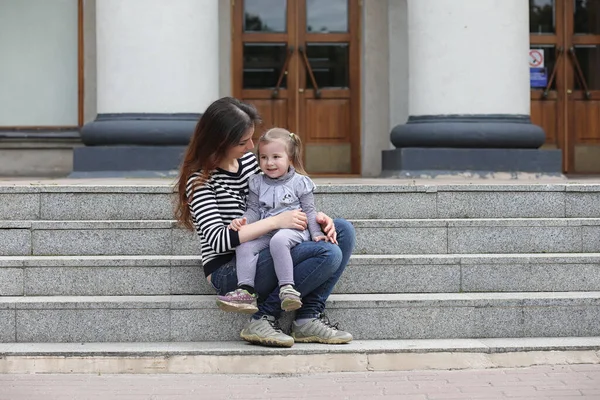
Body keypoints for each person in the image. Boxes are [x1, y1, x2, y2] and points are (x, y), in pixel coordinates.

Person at [174, 97, 356, 348]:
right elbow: (217, 241)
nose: (251, 146)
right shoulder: (200, 182)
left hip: (266, 244)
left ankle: (306, 318)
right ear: (220, 142)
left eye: (251, 138)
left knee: (343, 230)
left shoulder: (251, 163)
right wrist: (276, 222)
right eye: (242, 142)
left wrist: (314, 218)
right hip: (230, 269)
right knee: (327, 254)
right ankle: (264, 317)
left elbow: (281, 197)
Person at [216, 127, 334, 315]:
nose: (269, 163)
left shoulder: (300, 182)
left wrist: (317, 233)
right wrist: (242, 221)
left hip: (294, 229)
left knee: (279, 240)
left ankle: (287, 288)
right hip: (268, 230)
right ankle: (246, 290)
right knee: (243, 245)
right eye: (263, 157)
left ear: (290, 158)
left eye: (276, 157)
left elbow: (310, 211)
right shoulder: (257, 182)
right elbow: (253, 210)